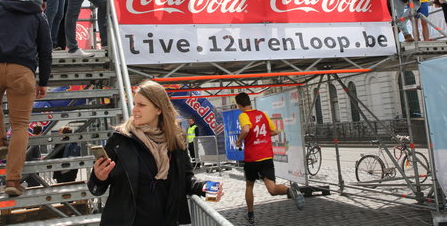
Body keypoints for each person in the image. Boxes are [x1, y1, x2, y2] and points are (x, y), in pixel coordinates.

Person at [87, 80, 223, 225]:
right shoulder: (120, 140)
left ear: (159, 109)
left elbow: (185, 179)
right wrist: (98, 177)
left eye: (141, 105)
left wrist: (205, 188)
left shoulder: (175, 140)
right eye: (134, 104)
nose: (134, 110)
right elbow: (96, 190)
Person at [0, 0, 52, 196]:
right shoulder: (38, 14)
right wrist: (44, 81)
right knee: (21, 126)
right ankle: (13, 181)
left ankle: (0, 140)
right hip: (22, 70)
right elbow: (45, 50)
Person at [234, 92, 303, 225]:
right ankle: (290, 190)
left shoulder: (243, 115)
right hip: (266, 156)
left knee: (249, 185)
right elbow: (275, 131)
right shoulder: (262, 114)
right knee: (272, 189)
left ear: (240, 105)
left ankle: (251, 215)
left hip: (252, 158)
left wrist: (238, 141)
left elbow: (247, 129)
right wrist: (262, 136)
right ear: (249, 102)